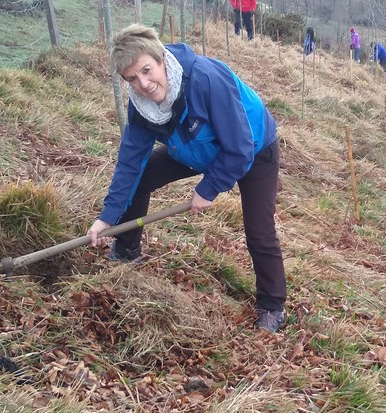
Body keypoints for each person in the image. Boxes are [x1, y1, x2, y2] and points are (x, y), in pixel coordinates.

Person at [87, 24, 286, 333]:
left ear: (160, 58)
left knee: (259, 231)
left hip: (254, 148)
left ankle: (272, 305)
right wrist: (107, 217)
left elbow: (239, 148)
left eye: (146, 70)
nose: (143, 84)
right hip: (193, 148)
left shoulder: (206, 79)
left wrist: (208, 189)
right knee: (140, 178)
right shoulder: (140, 106)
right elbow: (129, 163)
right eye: (132, 79)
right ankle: (126, 251)